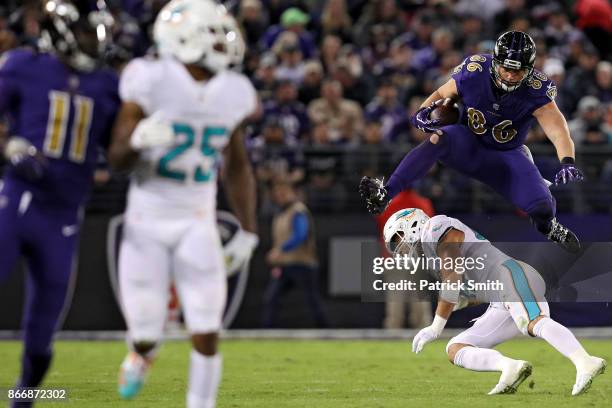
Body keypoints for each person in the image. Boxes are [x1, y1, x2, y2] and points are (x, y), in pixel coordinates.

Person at [107, 1, 258, 407]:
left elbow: (238, 166)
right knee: (145, 329)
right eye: (213, 34)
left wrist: (248, 231)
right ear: (181, 37)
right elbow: (116, 158)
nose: (224, 44)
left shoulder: (232, 91)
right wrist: (136, 141)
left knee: (207, 325)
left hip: (197, 219)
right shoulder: (151, 78)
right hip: (146, 219)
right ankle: (142, 352)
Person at [361, 31, 584, 253]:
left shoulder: (537, 90)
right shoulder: (475, 71)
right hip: (467, 143)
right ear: (495, 61)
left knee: (542, 207)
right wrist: (422, 112)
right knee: (438, 139)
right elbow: (442, 92)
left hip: (505, 156)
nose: (509, 76)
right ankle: (386, 193)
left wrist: (567, 161)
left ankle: (549, 227)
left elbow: (557, 128)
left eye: (517, 71)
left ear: (530, 70)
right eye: (505, 68)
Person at [0, 2, 118, 406]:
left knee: (42, 336)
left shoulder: (106, 85)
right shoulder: (20, 65)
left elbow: (118, 154)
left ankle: (22, 401)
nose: (94, 42)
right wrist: (7, 146)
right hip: (17, 200)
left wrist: (143, 138)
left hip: (65, 213)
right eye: (87, 32)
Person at [383, 208, 607, 395]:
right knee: (456, 348)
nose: (400, 249)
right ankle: (509, 368)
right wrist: (463, 301)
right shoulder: (432, 256)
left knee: (532, 322)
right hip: (499, 297)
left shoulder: (435, 226)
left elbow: (452, 276)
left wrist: (436, 326)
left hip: (512, 276)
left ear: (412, 225)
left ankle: (585, 361)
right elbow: (476, 289)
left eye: (398, 239)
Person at [262, 179, 328, 328]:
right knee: (271, 298)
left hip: (302, 264)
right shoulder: (279, 214)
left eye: (284, 192)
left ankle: (325, 330)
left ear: (293, 193)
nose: (280, 196)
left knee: (312, 300)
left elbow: (300, 235)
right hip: (284, 265)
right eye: (277, 193)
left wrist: (280, 250)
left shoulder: (298, 211)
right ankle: (267, 331)